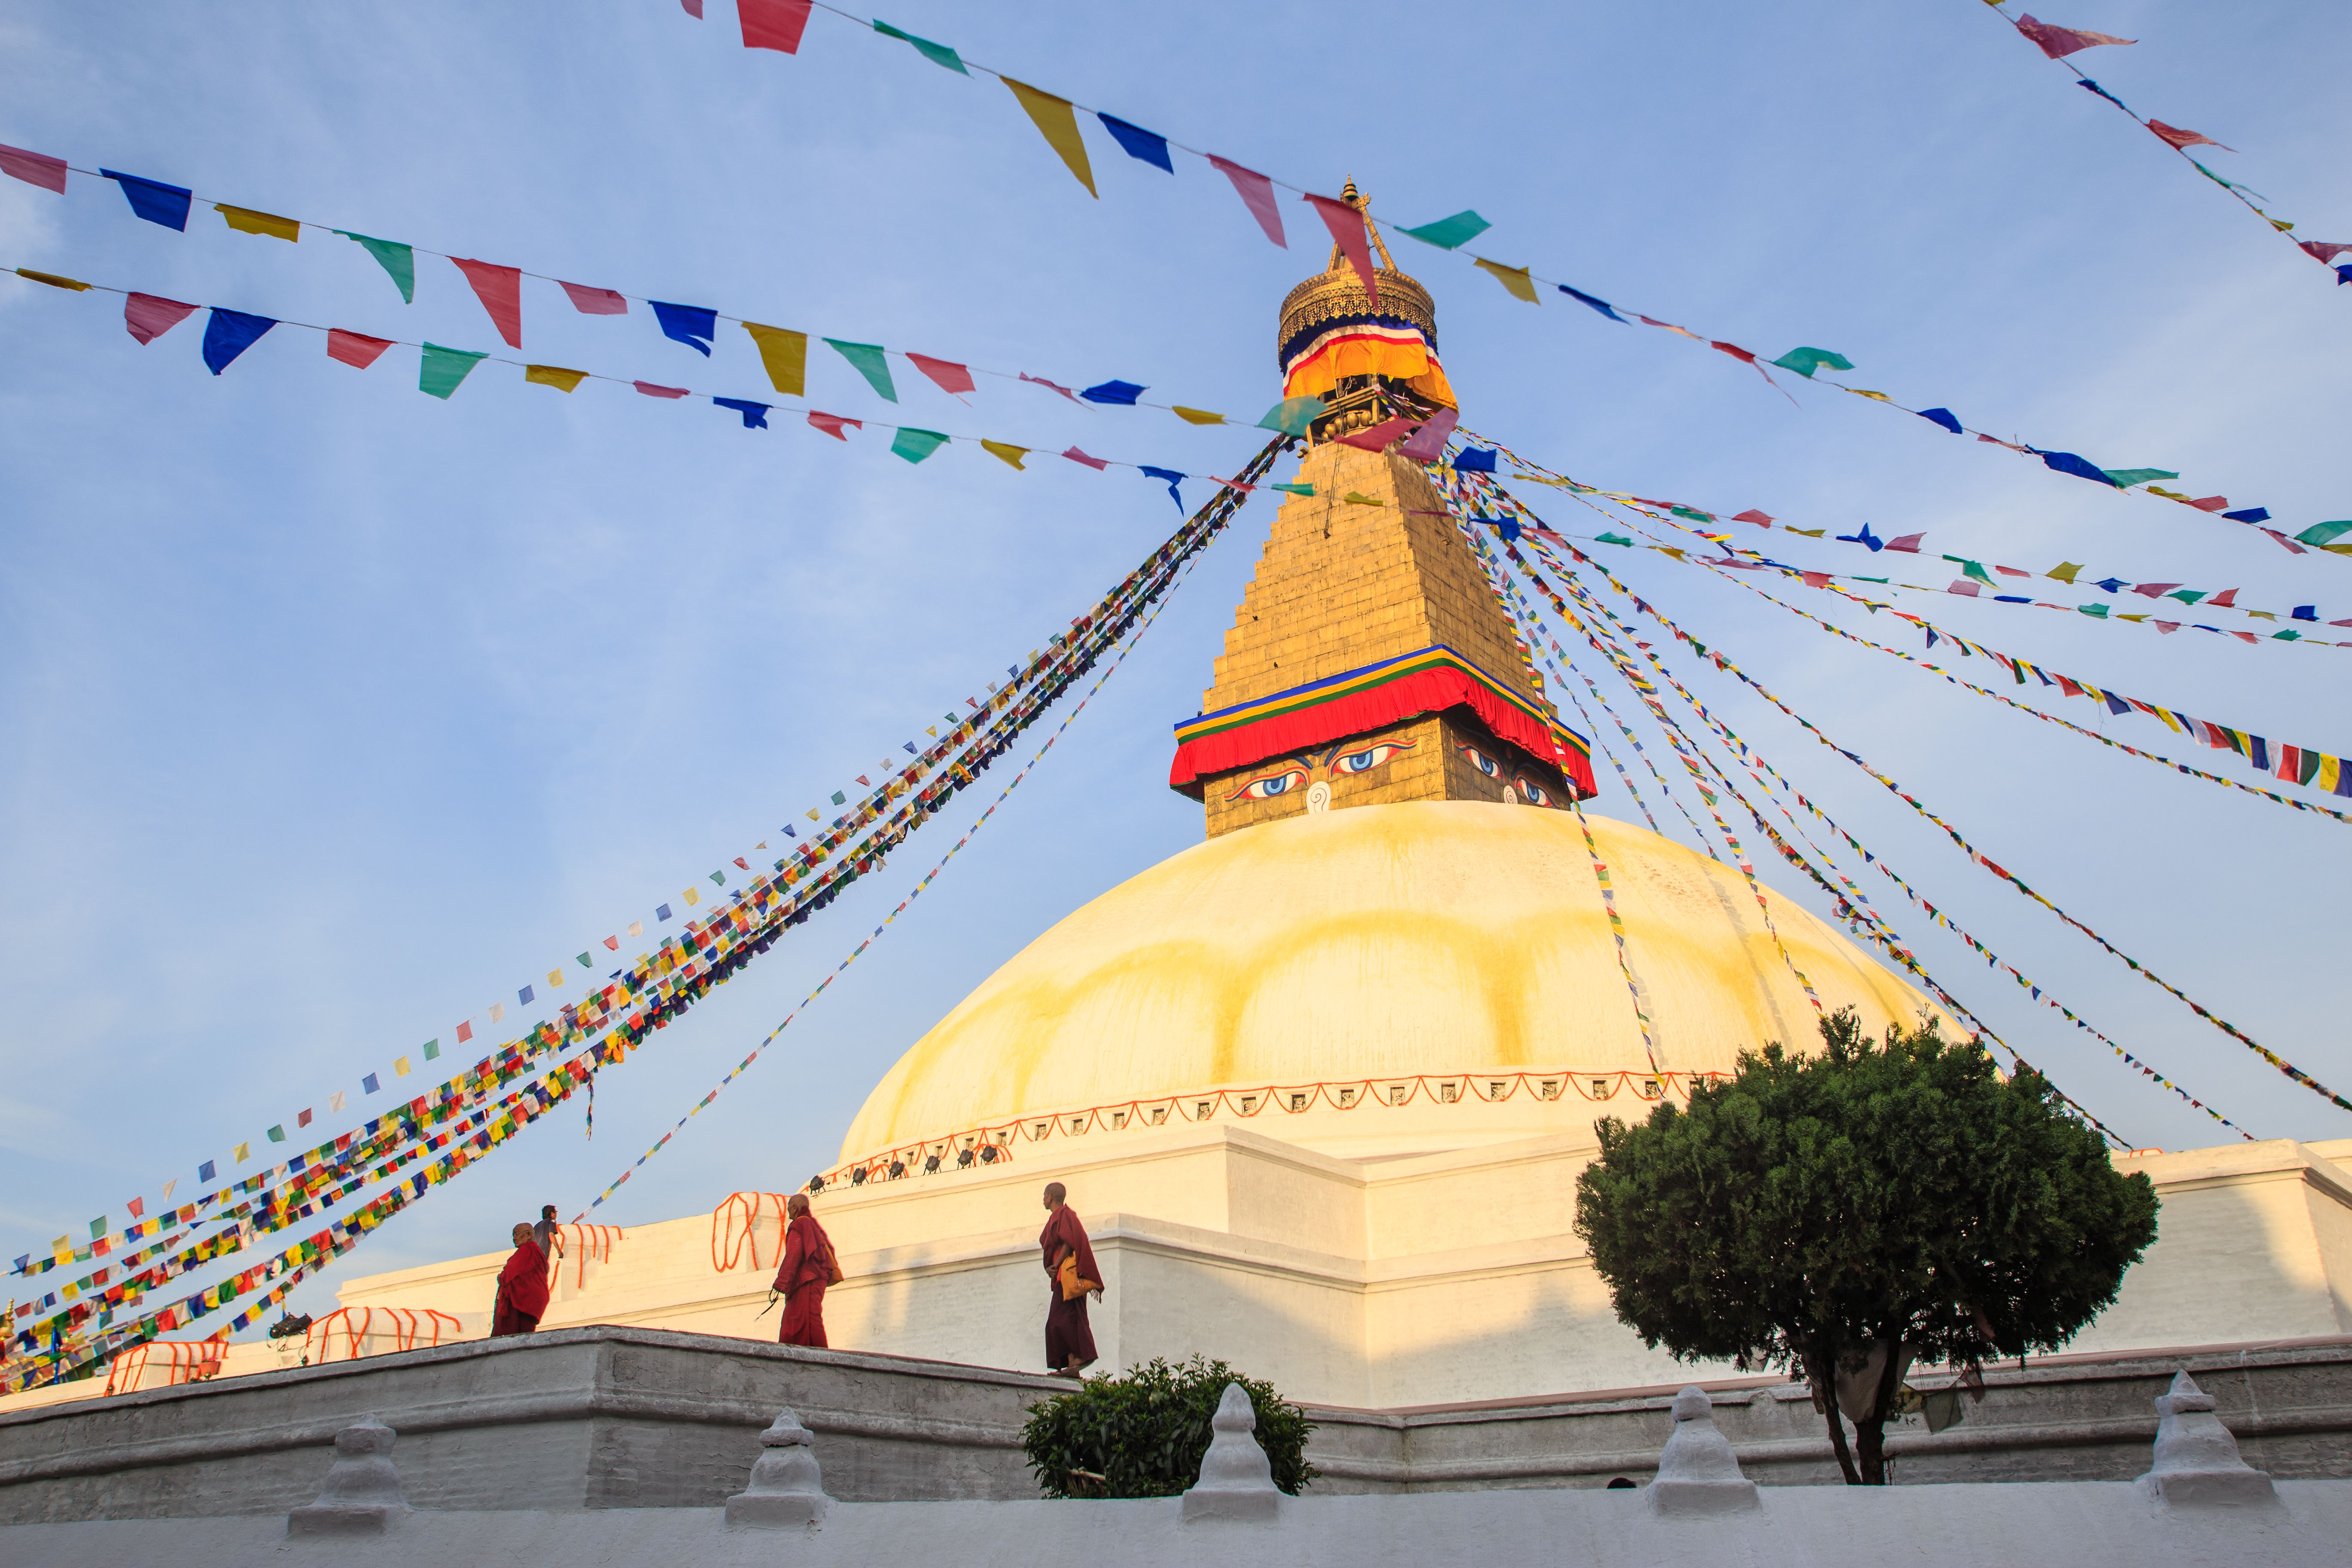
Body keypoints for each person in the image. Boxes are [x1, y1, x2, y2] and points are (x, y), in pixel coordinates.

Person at [1038, 1182, 1102, 1377]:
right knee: (1066, 1319)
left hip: (1069, 1277)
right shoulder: (1057, 1218)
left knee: (1059, 1321)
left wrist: (1056, 1265)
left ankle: (1080, 1358)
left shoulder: (1066, 1215)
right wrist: (1051, 1268)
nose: (1043, 1200)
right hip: (1061, 1278)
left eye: (1044, 1195)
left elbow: (1069, 1241)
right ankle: (1073, 1365)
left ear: (1050, 1197)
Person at [772, 1193, 839, 1348]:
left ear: (795, 1208)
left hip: (808, 1280)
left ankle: (820, 1353)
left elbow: (794, 1254)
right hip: (817, 1279)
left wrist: (782, 1282)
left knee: (807, 1316)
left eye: (789, 1206)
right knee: (807, 1315)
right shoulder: (814, 1225)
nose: (788, 1210)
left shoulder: (799, 1225)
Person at [492, 1222, 551, 1336]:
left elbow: (509, 1272)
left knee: (513, 1335)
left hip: (525, 1300)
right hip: (533, 1300)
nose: (515, 1238)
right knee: (525, 1334)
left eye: (517, 1234)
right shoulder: (536, 1252)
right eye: (513, 1236)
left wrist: (500, 1277)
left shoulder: (528, 1250)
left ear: (528, 1235)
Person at [532, 1204, 566, 1280]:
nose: (556, 1214)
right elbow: (551, 1235)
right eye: (556, 1212)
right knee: (542, 1276)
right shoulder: (552, 1221)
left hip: (534, 1254)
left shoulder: (537, 1226)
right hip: (543, 1254)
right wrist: (559, 1250)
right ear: (552, 1214)